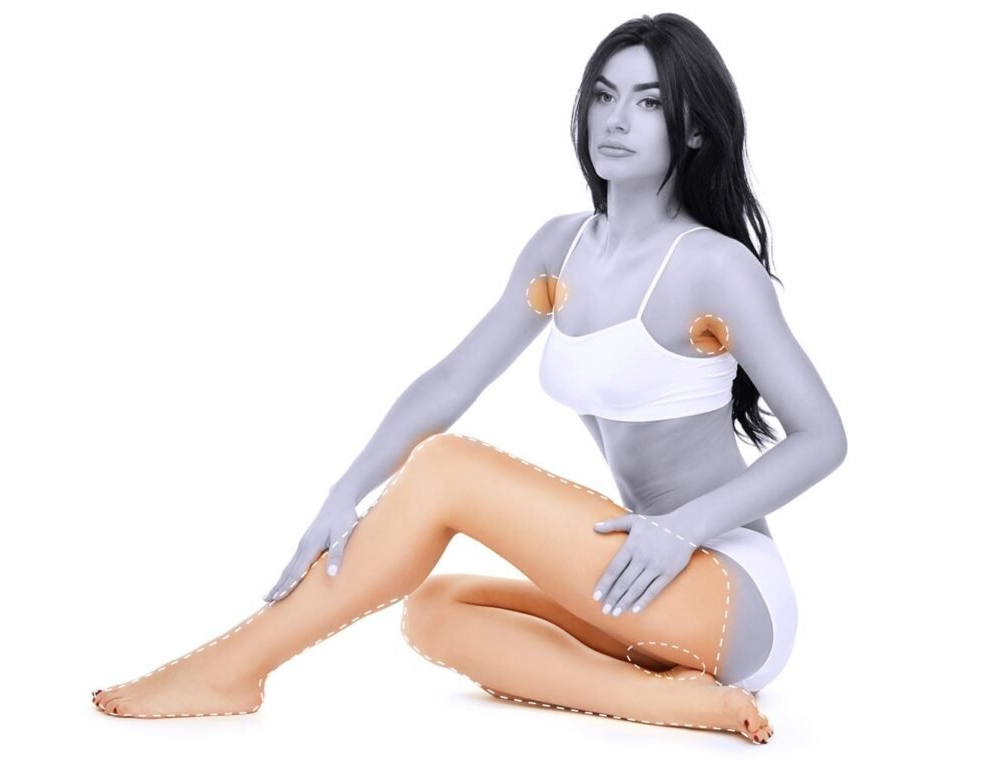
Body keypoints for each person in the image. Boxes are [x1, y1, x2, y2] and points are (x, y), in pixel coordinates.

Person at [92, 13, 846, 744]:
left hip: (729, 592)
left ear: (695, 130)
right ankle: (673, 702)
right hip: (645, 590)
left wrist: (683, 529)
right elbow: (453, 379)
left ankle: (232, 669)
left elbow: (822, 438)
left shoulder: (713, 267)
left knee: (448, 467)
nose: (616, 119)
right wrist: (343, 492)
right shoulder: (561, 248)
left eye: (648, 102)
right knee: (435, 610)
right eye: (604, 94)